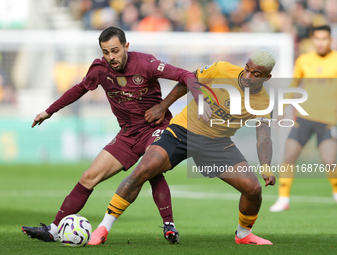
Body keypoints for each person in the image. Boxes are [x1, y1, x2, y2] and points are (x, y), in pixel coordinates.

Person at [21, 26, 207, 245]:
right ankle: (53, 230)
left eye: (116, 51)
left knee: (149, 167)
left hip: (155, 128)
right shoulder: (99, 69)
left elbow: (185, 75)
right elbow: (79, 89)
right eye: (106, 52)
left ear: (126, 46)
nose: (111, 57)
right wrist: (49, 111)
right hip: (127, 134)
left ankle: (169, 225)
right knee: (88, 177)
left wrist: (170, 104)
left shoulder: (146, 63)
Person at [89, 49, 277, 245]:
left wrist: (266, 167)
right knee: (143, 170)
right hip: (182, 131)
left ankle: (244, 234)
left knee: (253, 189)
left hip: (217, 143)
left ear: (267, 77)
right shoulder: (221, 69)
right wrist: (163, 106)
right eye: (246, 69)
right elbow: (188, 81)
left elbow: (263, 136)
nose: (247, 76)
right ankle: (104, 227)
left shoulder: (264, 102)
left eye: (255, 74)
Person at [269, 25, 337, 212]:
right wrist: (282, 109)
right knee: (288, 156)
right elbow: (294, 84)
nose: (321, 42)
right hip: (304, 119)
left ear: (330, 40)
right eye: (318, 38)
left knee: (329, 160)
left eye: (325, 38)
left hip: (328, 120)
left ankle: (336, 192)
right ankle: (283, 198)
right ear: (312, 40)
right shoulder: (304, 60)